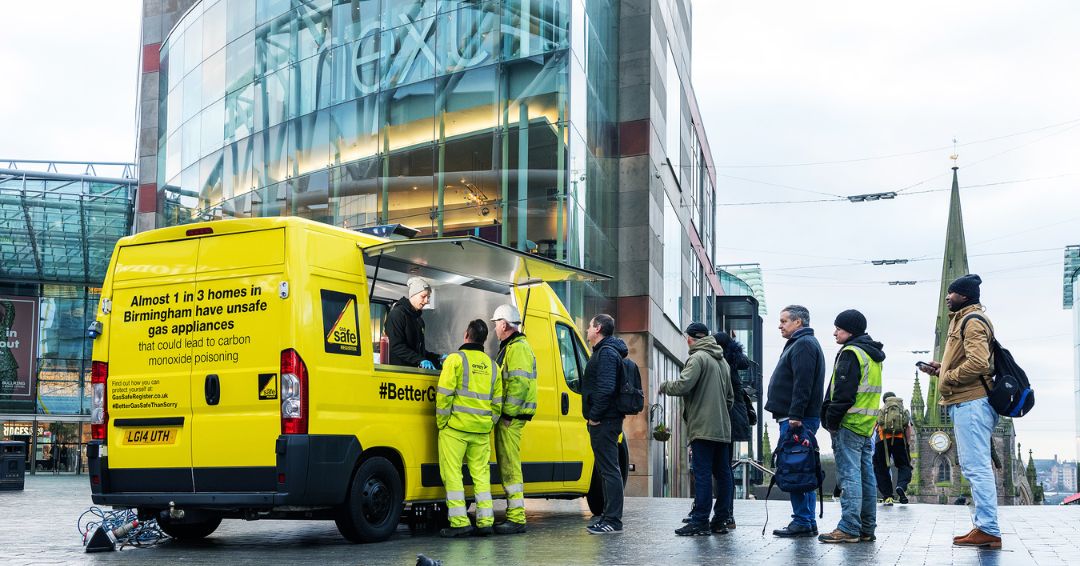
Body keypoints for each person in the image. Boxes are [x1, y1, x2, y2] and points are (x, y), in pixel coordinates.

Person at [919, 274, 1001, 549]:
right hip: (965, 401)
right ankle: (983, 526)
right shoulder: (964, 318)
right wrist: (941, 371)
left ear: (964, 296)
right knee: (972, 466)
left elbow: (978, 363)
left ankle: (988, 529)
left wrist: (949, 377)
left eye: (951, 293)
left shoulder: (973, 320)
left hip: (972, 402)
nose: (946, 297)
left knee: (977, 468)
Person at [660, 322, 734, 536]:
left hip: (703, 427)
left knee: (702, 474)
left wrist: (664, 386)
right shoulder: (723, 362)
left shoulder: (698, 358)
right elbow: (730, 399)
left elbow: (684, 385)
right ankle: (720, 520)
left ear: (690, 338)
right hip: (722, 428)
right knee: (723, 474)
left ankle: (700, 522)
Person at [818, 309, 884, 544]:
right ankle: (867, 527)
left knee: (850, 477)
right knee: (867, 477)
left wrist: (831, 422)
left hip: (849, 423)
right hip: (867, 426)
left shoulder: (851, 353)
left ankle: (849, 527)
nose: (834, 332)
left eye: (838, 328)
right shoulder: (873, 355)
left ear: (850, 330)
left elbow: (843, 395)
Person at [435, 319, 502, 538]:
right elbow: (497, 403)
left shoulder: (455, 360)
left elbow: (444, 395)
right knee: (481, 476)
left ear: (466, 335)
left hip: (455, 429)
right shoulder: (493, 366)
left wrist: (442, 423)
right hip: (481, 432)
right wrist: (488, 422)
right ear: (484, 339)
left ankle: (460, 522)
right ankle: (486, 522)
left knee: (453, 473)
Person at [765, 305, 826, 538]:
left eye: (784, 321)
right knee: (802, 467)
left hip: (796, 420)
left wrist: (796, 415)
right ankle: (806, 520)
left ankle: (802, 520)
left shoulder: (803, 345)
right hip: (795, 417)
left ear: (798, 322)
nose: (780, 325)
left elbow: (803, 383)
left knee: (796, 468)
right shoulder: (802, 343)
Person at [490, 304, 537, 535]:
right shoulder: (512, 347)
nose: (495, 329)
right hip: (511, 416)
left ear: (504, 324)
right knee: (508, 465)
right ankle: (515, 516)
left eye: (496, 324)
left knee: (510, 467)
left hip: (511, 417)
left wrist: (507, 414)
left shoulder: (517, 348)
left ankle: (517, 518)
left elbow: (519, 384)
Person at [581, 314, 627, 535]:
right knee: (607, 470)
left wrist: (595, 416)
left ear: (597, 328)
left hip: (605, 421)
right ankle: (608, 518)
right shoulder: (604, 352)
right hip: (605, 420)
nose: (587, 329)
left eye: (589, 326)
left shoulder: (607, 353)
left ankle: (613, 520)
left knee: (609, 471)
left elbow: (606, 388)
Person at [385, 277, 442, 369]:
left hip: (414, 372)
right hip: (400, 372)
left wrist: (437, 357)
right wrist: (420, 360)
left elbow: (417, 351)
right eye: (423, 296)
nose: (426, 301)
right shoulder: (397, 315)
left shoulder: (419, 320)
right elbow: (396, 346)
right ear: (413, 295)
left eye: (428, 297)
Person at [873, 393, 914, 505]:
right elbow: (908, 428)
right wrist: (907, 444)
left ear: (884, 401)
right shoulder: (902, 411)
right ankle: (901, 486)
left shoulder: (881, 411)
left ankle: (887, 496)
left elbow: (874, 427)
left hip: (882, 441)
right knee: (904, 466)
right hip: (899, 440)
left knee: (881, 468)